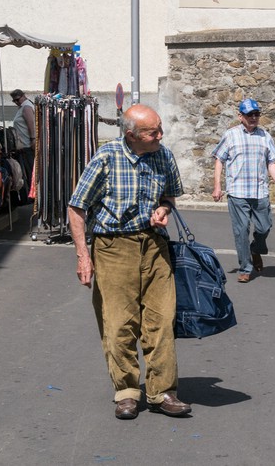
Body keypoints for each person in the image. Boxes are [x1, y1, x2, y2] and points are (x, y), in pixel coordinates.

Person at [67, 104, 191, 420]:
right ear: (132, 135)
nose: (160, 136)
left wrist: (163, 210)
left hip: (154, 246)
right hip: (112, 248)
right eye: (153, 132)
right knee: (118, 324)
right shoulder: (106, 158)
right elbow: (77, 208)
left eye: (160, 128)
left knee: (161, 320)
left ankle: (162, 391)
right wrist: (84, 256)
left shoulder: (163, 156)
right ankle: (126, 391)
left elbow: (169, 197)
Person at [212, 98, 275, 283]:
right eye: (249, 114)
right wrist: (218, 186)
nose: (253, 117)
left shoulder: (265, 136)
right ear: (240, 116)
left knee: (264, 227)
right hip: (237, 192)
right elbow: (219, 159)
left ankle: (255, 249)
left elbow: (271, 162)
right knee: (241, 230)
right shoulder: (230, 135)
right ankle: (245, 267)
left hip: (260, 191)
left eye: (256, 114)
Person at [9, 89, 35, 202]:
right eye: (14, 101)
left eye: (17, 99)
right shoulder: (23, 107)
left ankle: (33, 196)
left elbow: (31, 125)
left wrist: (33, 139)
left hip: (27, 145)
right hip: (24, 145)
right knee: (28, 171)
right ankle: (31, 195)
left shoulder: (26, 107)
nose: (16, 102)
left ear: (23, 96)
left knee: (29, 171)